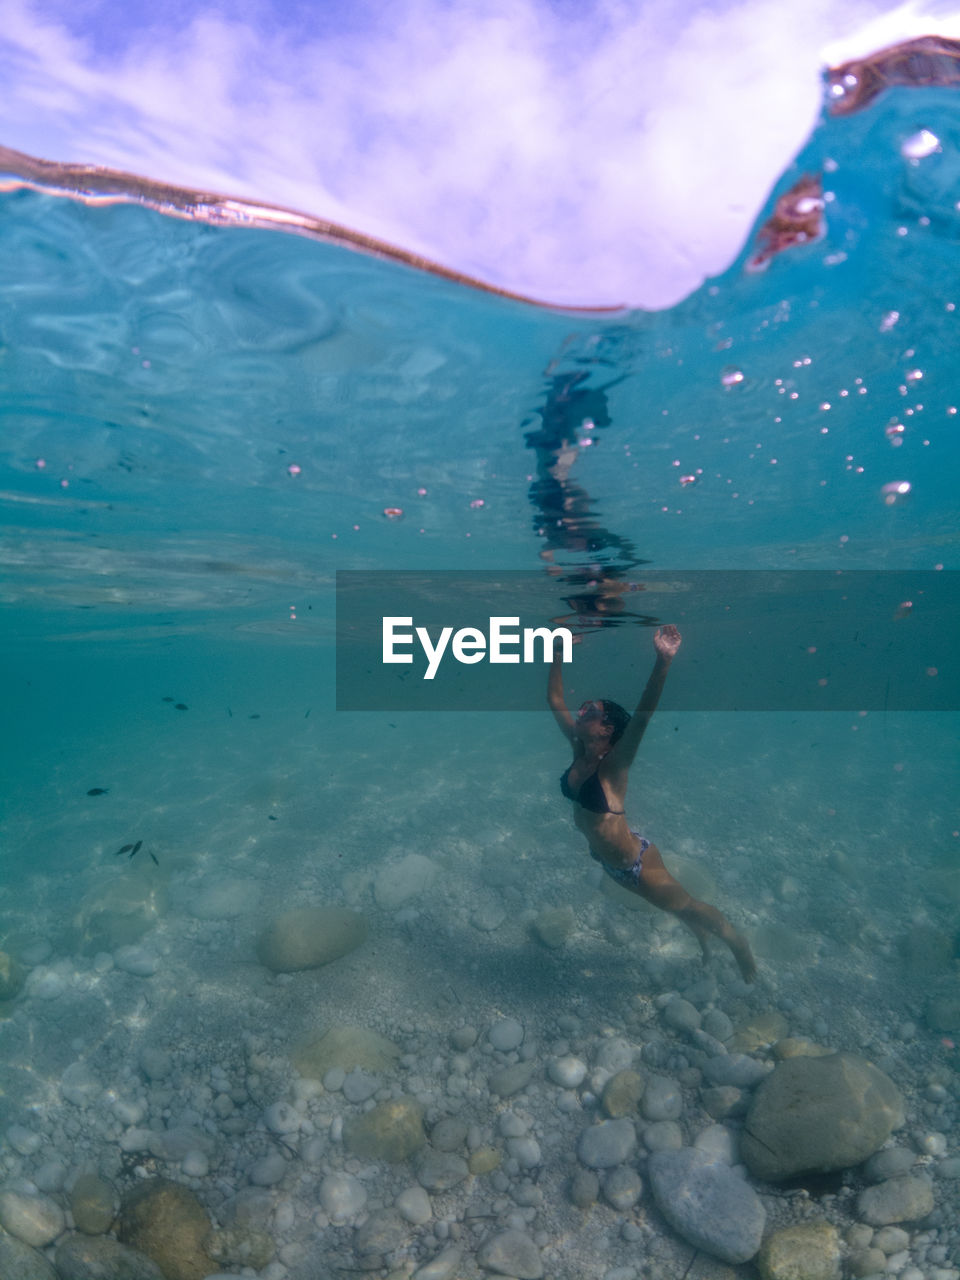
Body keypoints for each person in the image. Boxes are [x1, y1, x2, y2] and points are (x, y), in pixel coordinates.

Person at [549, 625, 756, 982]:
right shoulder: (578, 748)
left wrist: (663, 662)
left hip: (636, 865)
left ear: (607, 730)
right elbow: (554, 700)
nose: (580, 711)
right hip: (610, 862)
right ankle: (701, 937)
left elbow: (642, 717)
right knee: (673, 908)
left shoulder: (613, 767)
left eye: (591, 711)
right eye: (582, 707)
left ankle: (738, 946)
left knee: (688, 905)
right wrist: (558, 650)